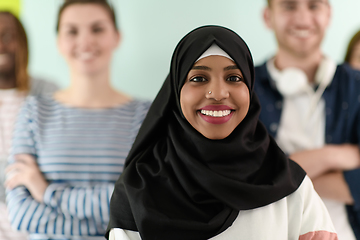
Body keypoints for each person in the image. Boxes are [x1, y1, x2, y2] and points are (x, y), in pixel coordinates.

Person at [105, 25, 337, 240]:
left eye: (234, 78)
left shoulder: (289, 185)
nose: (217, 93)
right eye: (198, 78)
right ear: (176, 92)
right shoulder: (138, 188)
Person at [4, 0, 151, 239]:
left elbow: (141, 204)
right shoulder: (33, 111)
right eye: (72, 31)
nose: (85, 41)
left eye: (97, 29)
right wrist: (107, 222)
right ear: (59, 42)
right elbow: (21, 215)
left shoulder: (145, 115)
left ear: (116, 37)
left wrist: (47, 192)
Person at [255, 0, 360, 239]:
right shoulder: (242, 90)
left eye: (314, 6)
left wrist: (277, 179)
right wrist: (336, 155)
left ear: (328, 15)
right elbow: (240, 178)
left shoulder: (356, 87)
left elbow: (260, 180)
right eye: (289, 6)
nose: (302, 19)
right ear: (268, 17)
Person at [0, 11, 58, 240]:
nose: (1, 45)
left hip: (40, 221)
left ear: (22, 42)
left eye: (7, 36)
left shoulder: (49, 92)